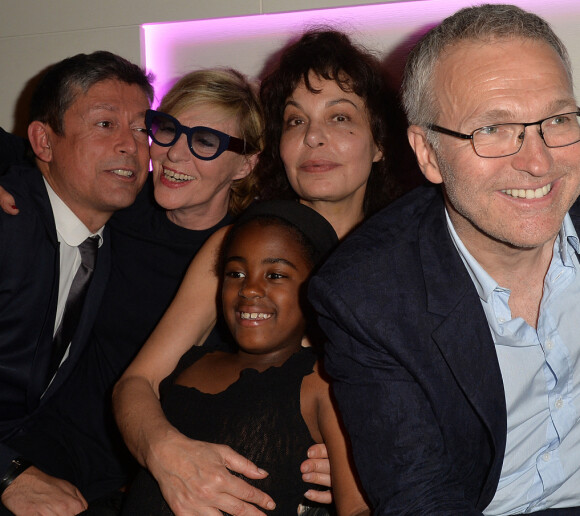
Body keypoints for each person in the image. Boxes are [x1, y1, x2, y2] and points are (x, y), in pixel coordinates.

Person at [308, 3, 580, 515]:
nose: (538, 161)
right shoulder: (368, 295)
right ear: (428, 153)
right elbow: (421, 498)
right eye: (493, 130)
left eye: (558, 119)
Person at [113, 28, 395, 515]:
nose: (314, 137)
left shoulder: (407, 262)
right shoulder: (237, 244)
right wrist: (165, 452)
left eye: (340, 117)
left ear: (379, 144)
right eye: (294, 120)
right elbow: (136, 384)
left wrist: (371, 461)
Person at [0, 68, 265, 515]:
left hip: (166, 475)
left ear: (246, 164)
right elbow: (34, 151)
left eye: (204, 141)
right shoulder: (118, 205)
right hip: (55, 449)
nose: (175, 155)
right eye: (166, 130)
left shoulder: (249, 256)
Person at [121, 200, 369, 516]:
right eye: (235, 272)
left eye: (276, 275)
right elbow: (132, 388)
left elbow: (359, 506)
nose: (249, 288)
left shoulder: (320, 382)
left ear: (315, 292)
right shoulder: (192, 363)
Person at [0, 51, 153, 515]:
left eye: (142, 128)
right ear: (44, 143)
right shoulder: (9, 222)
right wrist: (6, 475)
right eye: (105, 124)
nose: (131, 145)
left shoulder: (109, 237)